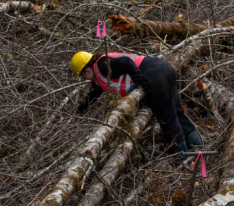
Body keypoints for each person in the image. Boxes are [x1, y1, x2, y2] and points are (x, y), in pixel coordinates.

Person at [71, 51, 202, 153]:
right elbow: (94, 93)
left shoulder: (102, 66)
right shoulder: (99, 76)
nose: (85, 79)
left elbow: (126, 62)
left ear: (87, 70)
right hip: (163, 67)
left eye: (82, 75)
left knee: (167, 118)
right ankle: (197, 146)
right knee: (176, 111)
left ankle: (183, 156)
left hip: (153, 73)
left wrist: (139, 78)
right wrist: (82, 107)